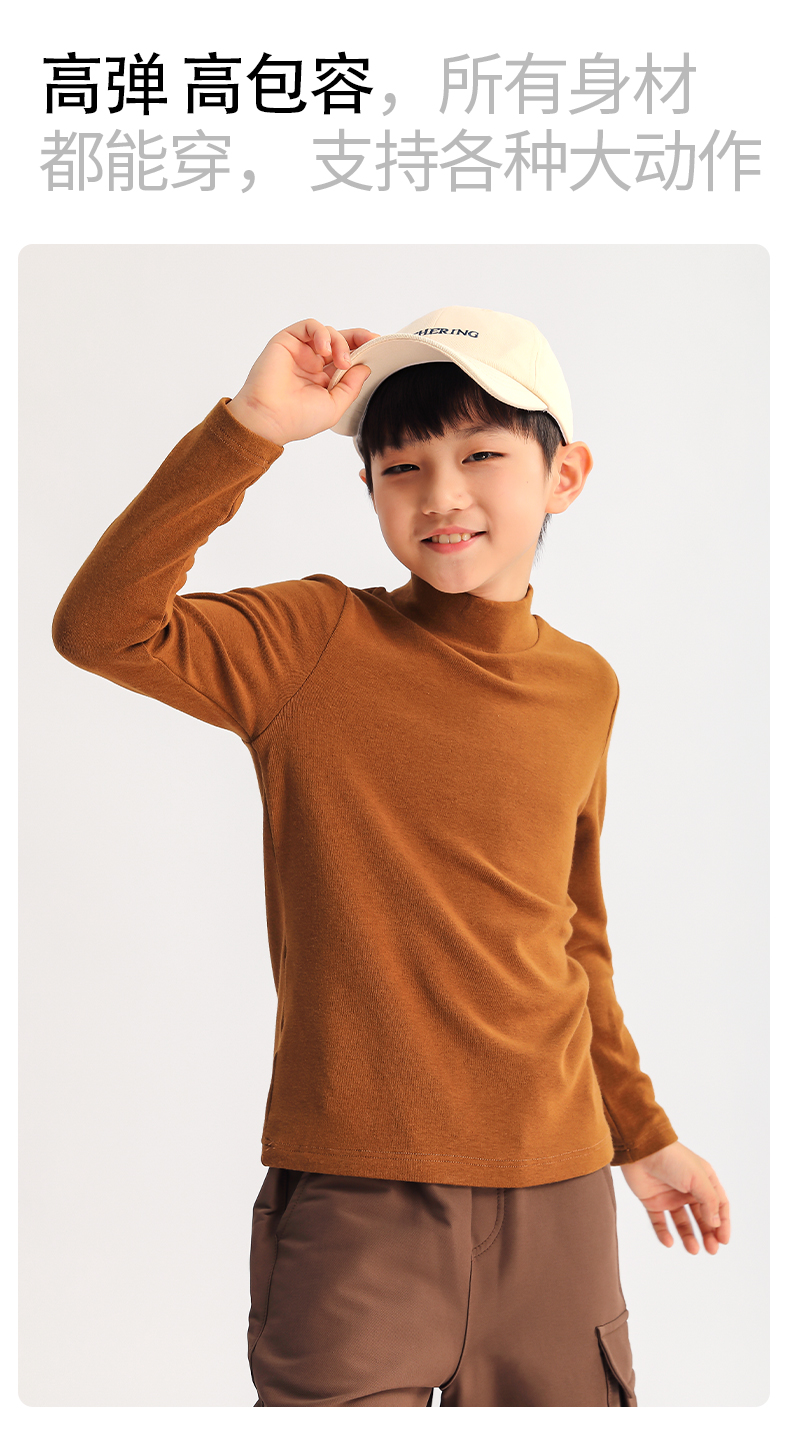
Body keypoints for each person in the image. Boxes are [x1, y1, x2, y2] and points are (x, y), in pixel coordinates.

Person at [52, 306, 731, 1408]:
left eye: (481, 456)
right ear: (369, 491)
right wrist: (250, 429)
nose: (441, 495)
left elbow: (571, 934)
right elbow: (101, 628)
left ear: (563, 476)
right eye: (401, 467)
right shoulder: (314, 642)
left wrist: (641, 1135)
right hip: (361, 1194)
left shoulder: (585, 685)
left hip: (560, 1190)